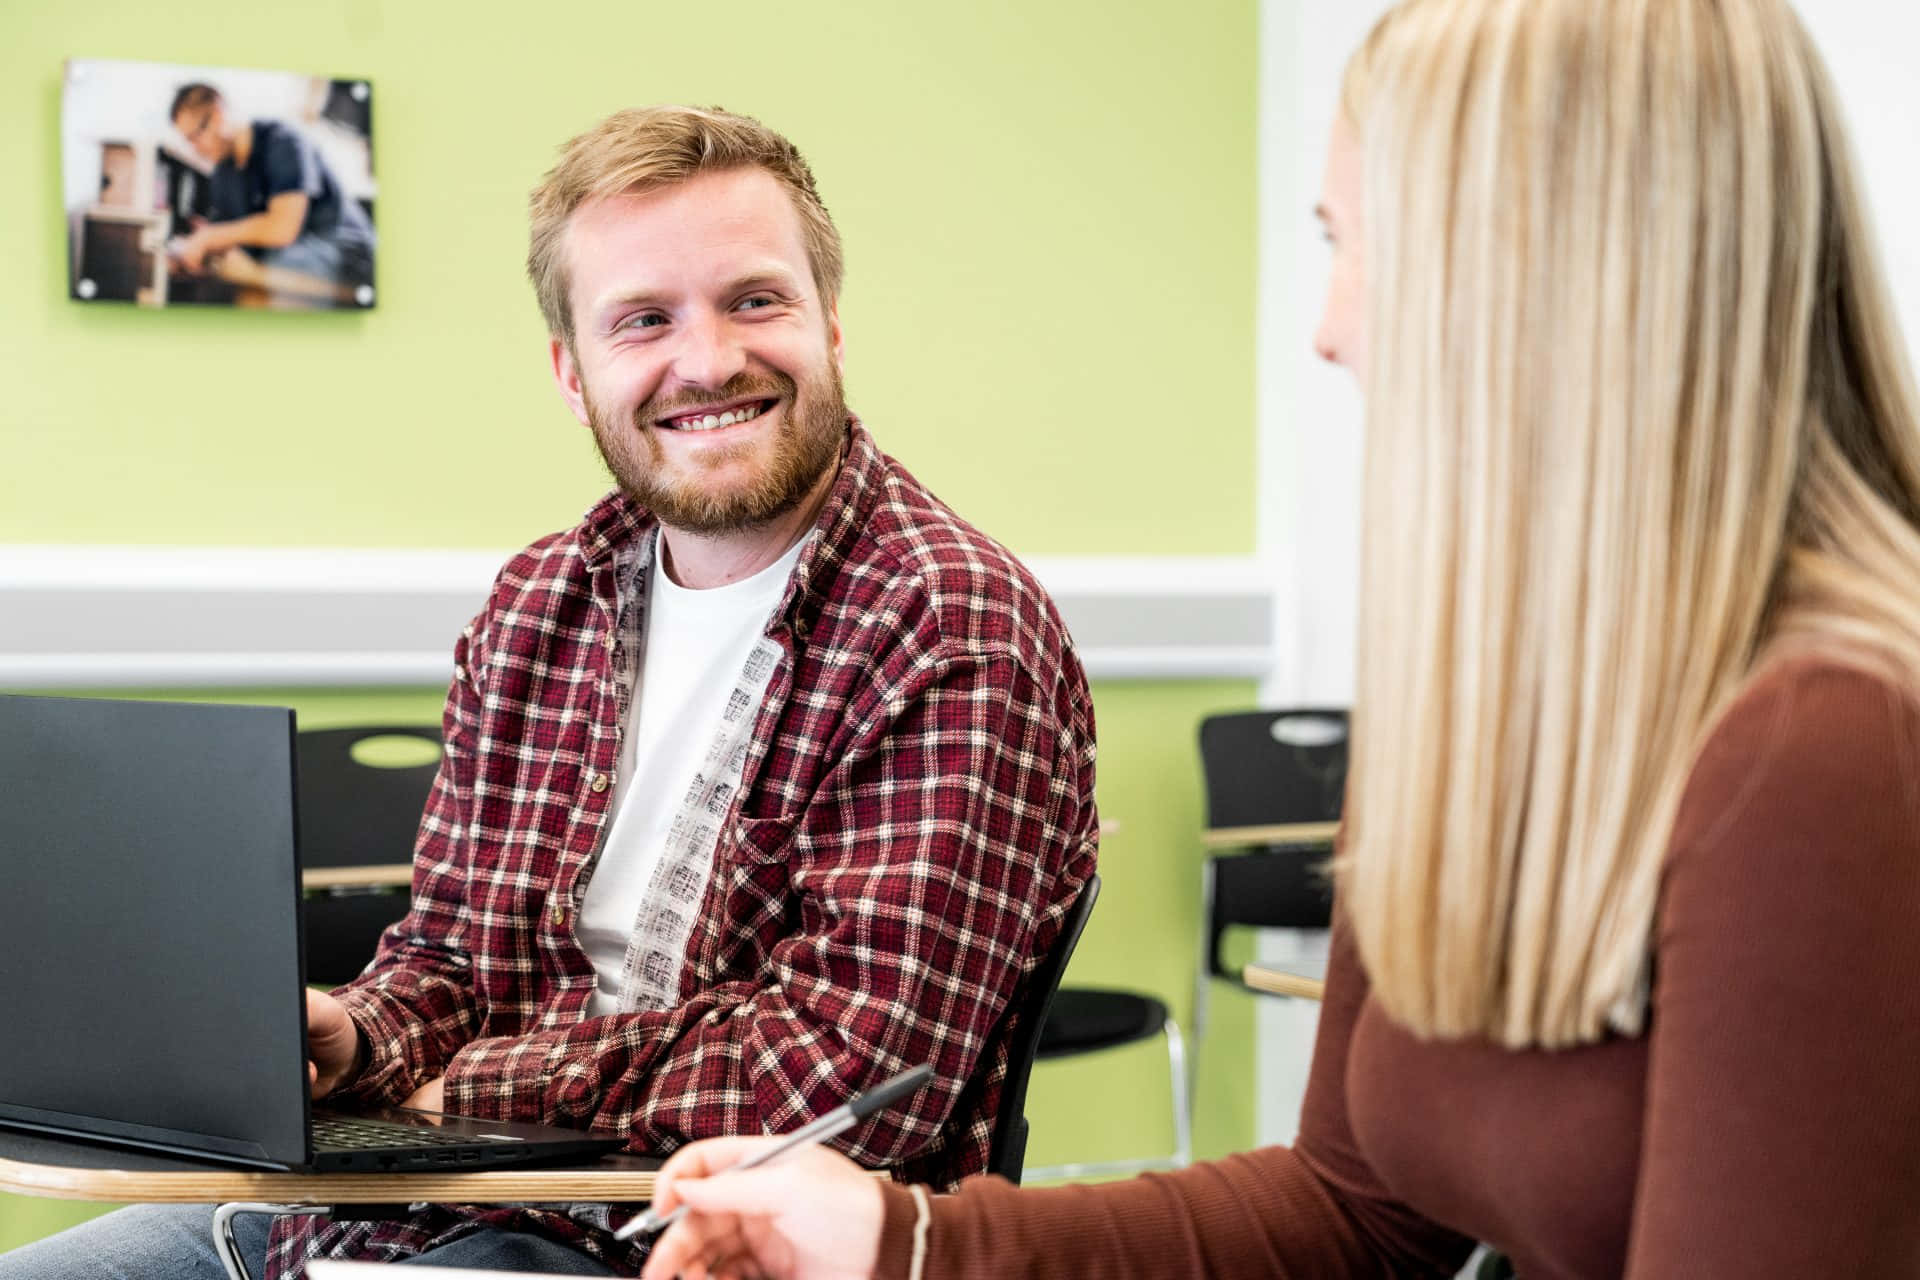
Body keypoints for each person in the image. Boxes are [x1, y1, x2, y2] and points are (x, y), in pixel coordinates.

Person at [638, 1, 1920, 1276]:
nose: (1331, 326)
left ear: (1542, 280)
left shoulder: (1829, 748)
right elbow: (1355, 1212)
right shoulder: (1500, 701)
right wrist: (895, 1236)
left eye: (1350, 244)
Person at [0, 106, 1097, 1278]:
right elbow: (453, 962)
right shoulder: (539, 602)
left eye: (756, 299)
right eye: (644, 320)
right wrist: (359, 1032)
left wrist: (467, 1080)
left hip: (693, 1253)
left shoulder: (950, 625)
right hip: (405, 1218)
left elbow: (841, 1076)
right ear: (575, 374)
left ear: (831, 321)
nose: (710, 359)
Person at [166, 82, 376, 286]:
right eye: (188, 141)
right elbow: (230, 234)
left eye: (195, 136)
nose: (195, 148)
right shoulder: (224, 173)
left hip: (347, 252)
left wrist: (212, 236)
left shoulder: (284, 141)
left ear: (218, 114)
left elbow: (283, 228)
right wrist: (194, 248)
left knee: (263, 268)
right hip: (297, 257)